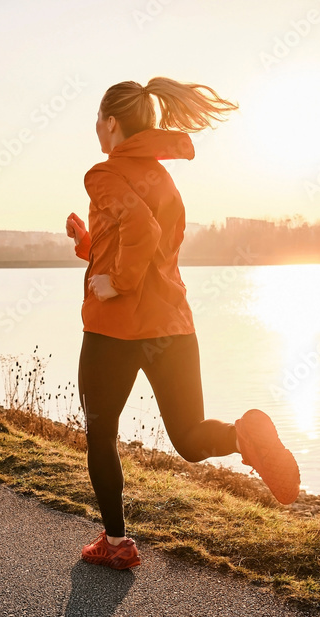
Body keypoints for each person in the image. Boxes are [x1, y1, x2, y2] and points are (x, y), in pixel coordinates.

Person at [65, 77, 301, 571]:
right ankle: (244, 436)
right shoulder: (163, 180)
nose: (95, 130)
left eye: (97, 122)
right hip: (172, 325)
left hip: (115, 330)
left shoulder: (102, 174)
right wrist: (90, 245)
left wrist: (118, 284)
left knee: (100, 432)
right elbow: (154, 245)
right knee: (190, 437)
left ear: (111, 124)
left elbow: (141, 232)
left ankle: (115, 542)